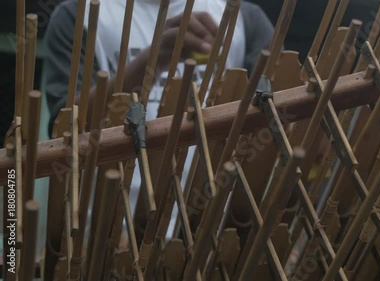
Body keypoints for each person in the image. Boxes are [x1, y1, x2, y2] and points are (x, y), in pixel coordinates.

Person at [43, 0, 274, 239]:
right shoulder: (81, 13)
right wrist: (151, 61)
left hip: (209, 233)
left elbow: (275, 120)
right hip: (107, 233)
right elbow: (67, 128)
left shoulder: (244, 16)